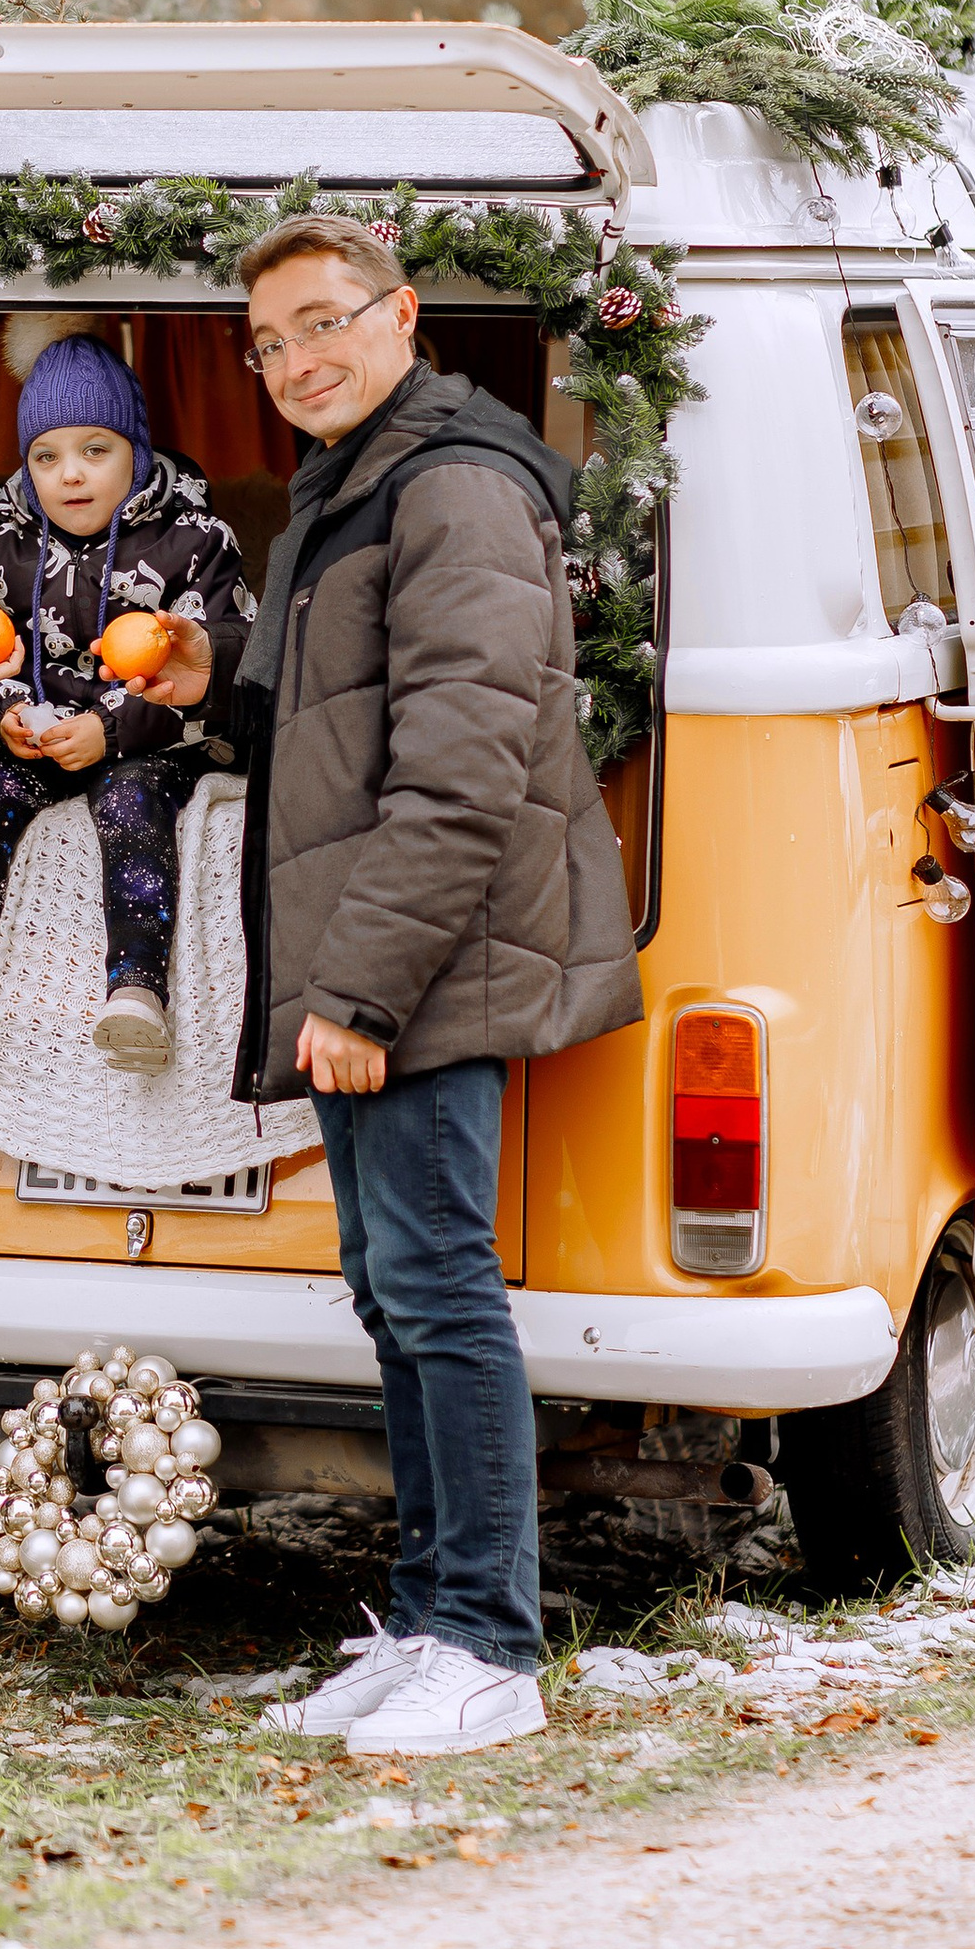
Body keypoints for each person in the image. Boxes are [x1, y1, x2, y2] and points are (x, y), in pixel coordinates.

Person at [229, 216, 642, 1758]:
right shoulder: (359, 478)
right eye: (271, 343)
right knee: (397, 1296)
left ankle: (488, 1643)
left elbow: (462, 774)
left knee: (441, 1292)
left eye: (324, 323)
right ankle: (425, 1617)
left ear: (404, 316)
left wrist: (363, 990)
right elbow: (331, 723)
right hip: (385, 961)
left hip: (424, 966)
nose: (298, 361)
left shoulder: (453, 484)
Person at [0, 317, 253, 1085]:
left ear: (136, 452)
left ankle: (137, 991)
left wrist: (109, 730)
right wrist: (3, 714)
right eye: (46, 456)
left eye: (95, 450)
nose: (70, 475)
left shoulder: (198, 539)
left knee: (133, 799)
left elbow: (226, 665)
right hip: (38, 736)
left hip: (155, 739)